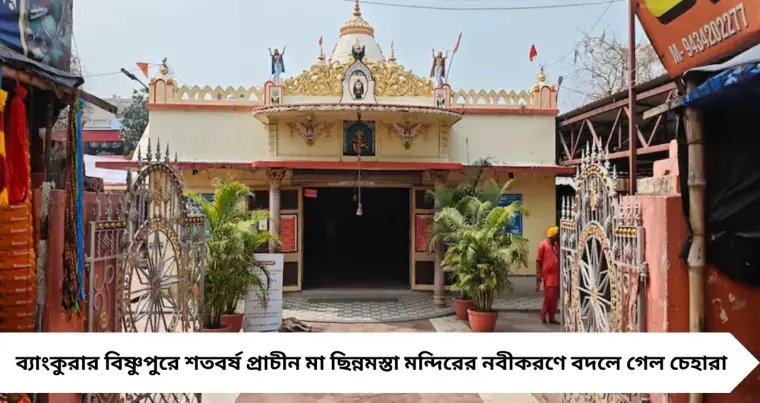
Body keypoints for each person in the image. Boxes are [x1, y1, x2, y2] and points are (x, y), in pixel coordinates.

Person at [536, 226, 560, 324]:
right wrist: (538, 274)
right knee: (549, 296)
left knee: (555, 299)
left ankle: (551, 317)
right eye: (556, 235)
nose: (557, 236)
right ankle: (543, 314)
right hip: (547, 276)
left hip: (556, 275)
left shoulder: (556, 245)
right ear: (552, 235)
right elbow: (538, 260)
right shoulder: (543, 245)